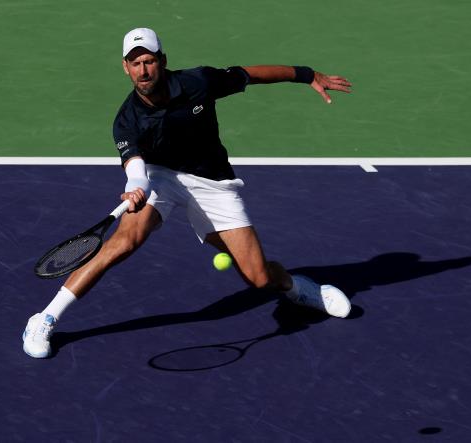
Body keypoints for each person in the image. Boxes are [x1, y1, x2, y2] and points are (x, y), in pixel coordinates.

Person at [23, 27, 353, 358]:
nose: (143, 70)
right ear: (125, 67)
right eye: (135, 63)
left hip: (213, 184)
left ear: (163, 61)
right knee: (123, 242)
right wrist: (135, 188)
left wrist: (307, 75)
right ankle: (45, 318)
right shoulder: (126, 120)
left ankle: (296, 288)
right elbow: (135, 168)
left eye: (149, 61)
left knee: (258, 277)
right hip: (161, 178)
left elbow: (250, 75)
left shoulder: (199, 82)